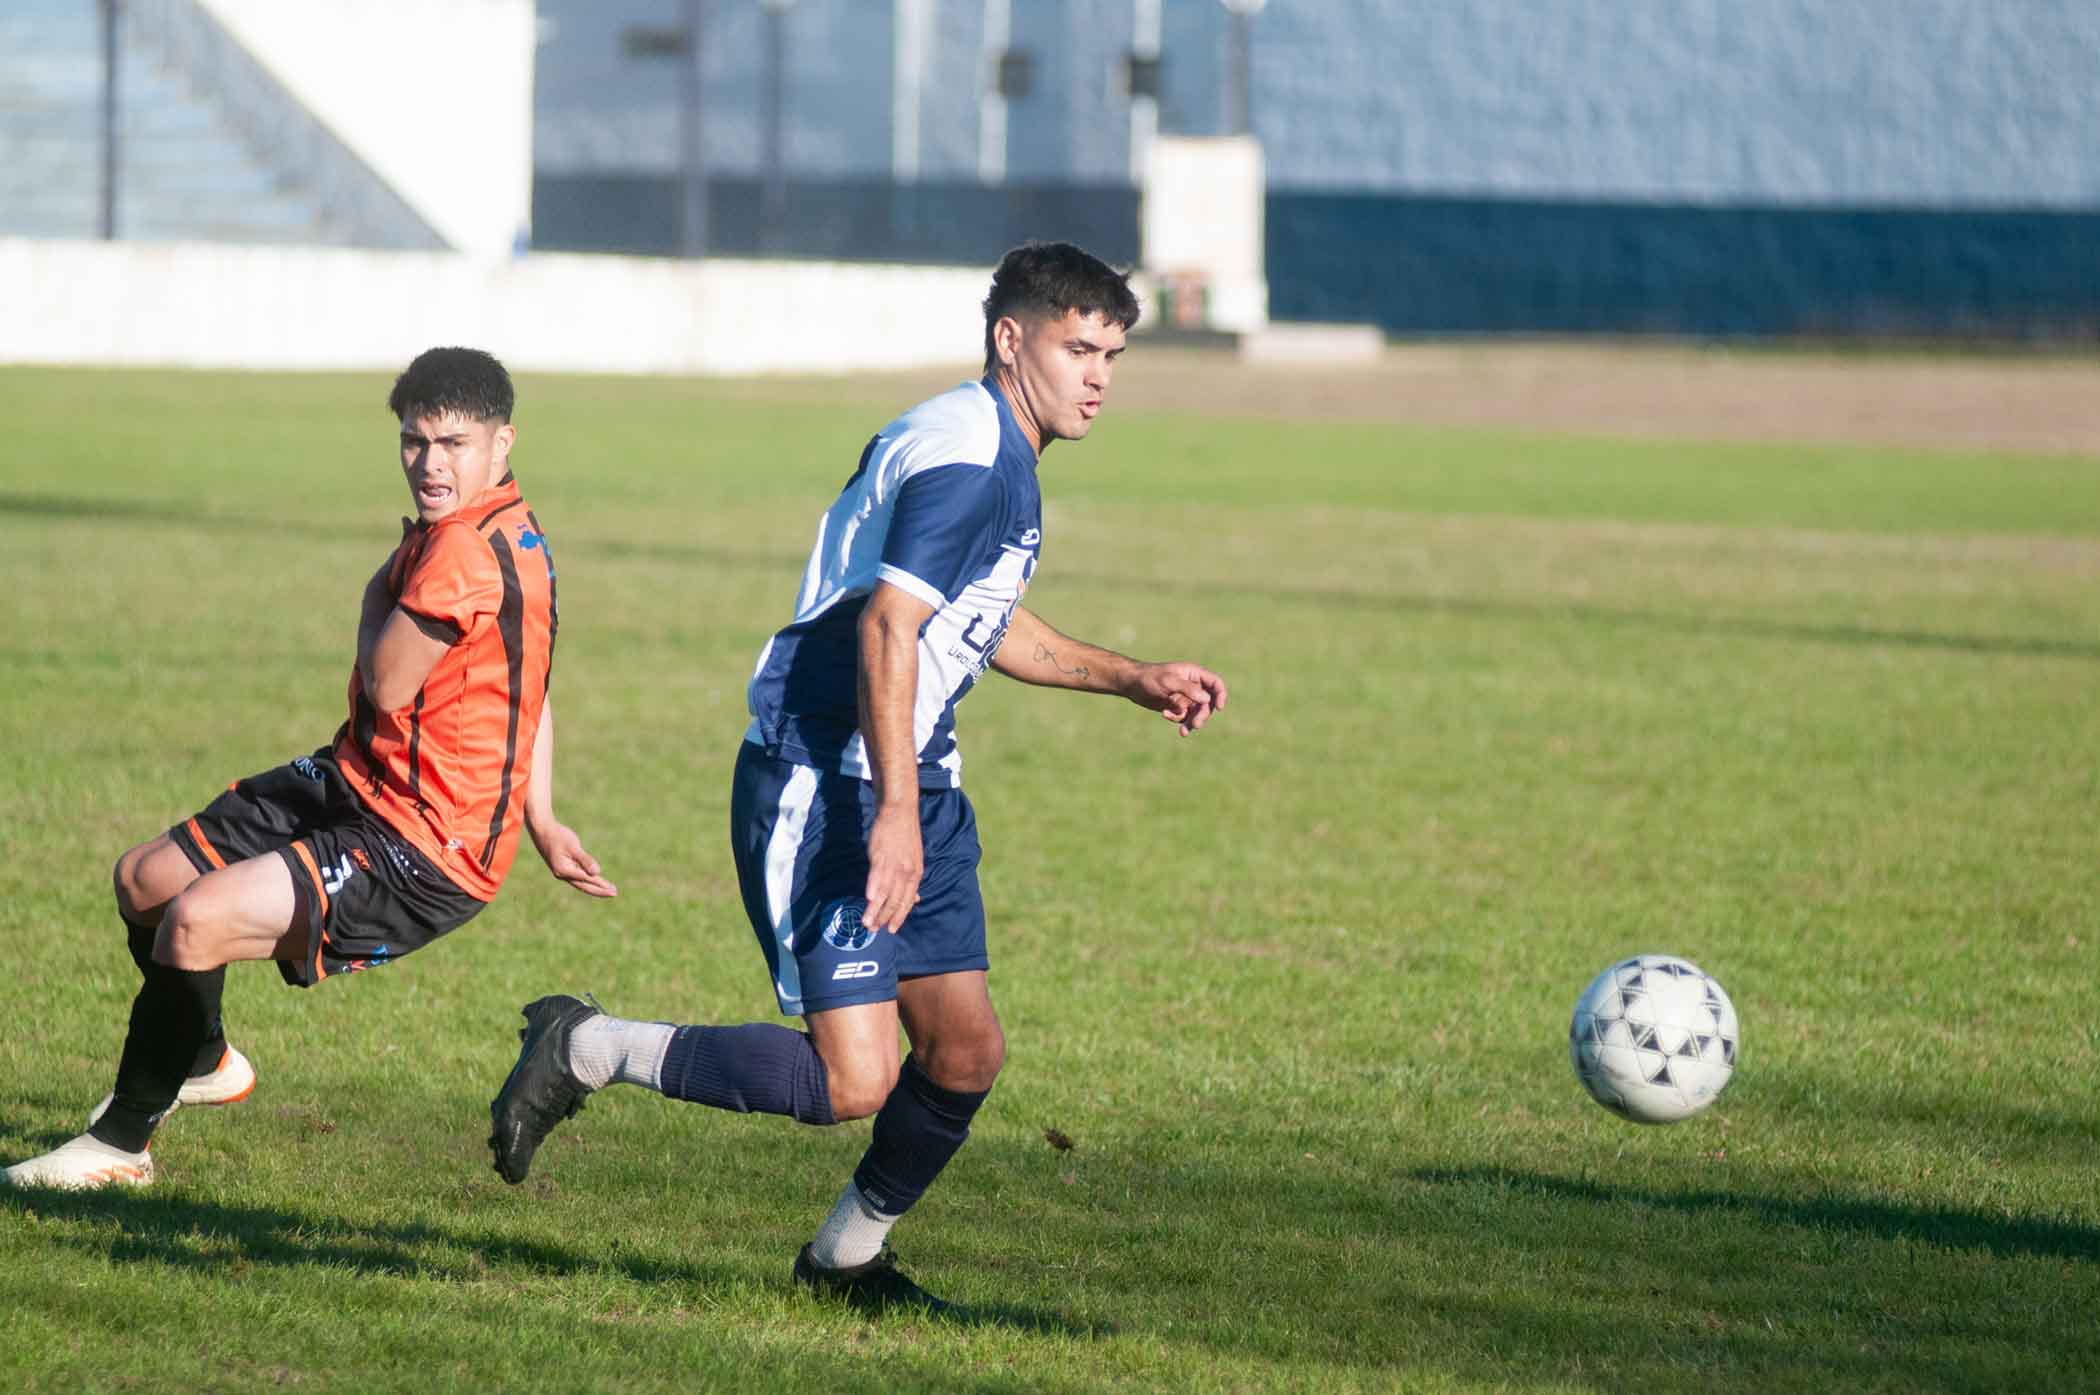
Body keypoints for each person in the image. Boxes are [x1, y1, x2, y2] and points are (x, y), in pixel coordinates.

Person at [488, 242, 1228, 1312]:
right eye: (1077, 347)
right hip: (826, 776)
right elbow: (888, 626)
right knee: (855, 1080)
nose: (1098, 374)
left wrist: (1130, 678)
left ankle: (845, 1260)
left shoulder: (997, 448)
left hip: (910, 775)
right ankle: (586, 1045)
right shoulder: (970, 460)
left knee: (964, 1052)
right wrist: (890, 817)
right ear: (1010, 339)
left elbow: (973, 620)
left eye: (1110, 352)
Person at [4, 347, 615, 1191]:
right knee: (144, 882)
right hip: (355, 780)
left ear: (502, 442)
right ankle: (203, 1058)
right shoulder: (512, 532)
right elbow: (529, 682)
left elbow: (391, 679)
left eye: (454, 444)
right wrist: (542, 818)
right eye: (413, 441)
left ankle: (118, 1145)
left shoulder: (464, 555)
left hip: (422, 849)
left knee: (193, 922)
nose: (430, 464)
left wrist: (374, 597)